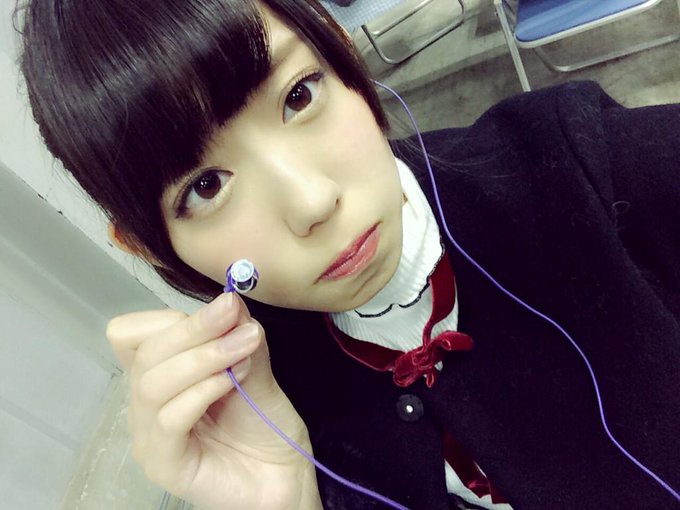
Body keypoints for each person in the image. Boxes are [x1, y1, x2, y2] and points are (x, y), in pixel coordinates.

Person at [18, 0, 680, 509]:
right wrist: (288, 498)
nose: (311, 202)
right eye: (207, 186)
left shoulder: (584, 165)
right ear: (149, 247)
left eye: (299, 95)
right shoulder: (261, 398)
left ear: (339, 53)